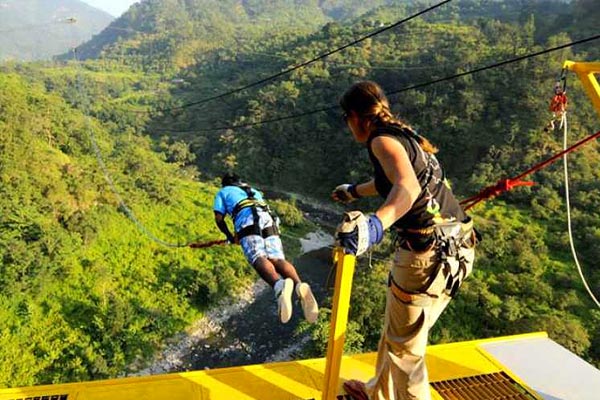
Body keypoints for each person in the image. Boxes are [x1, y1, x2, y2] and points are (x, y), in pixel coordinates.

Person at [332, 81, 477, 400]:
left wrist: (374, 226)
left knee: (406, 353)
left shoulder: (381, 140)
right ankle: (378, 394)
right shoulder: (405, 136)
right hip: (459, 245)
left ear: (354, 116)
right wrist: (354, 191)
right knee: (400, 335)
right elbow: (393, 180)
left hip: (426, 256)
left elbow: (407, 189)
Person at [213, 173, 319, 324]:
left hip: (247, 220)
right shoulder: (252, 190)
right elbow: (250, 208)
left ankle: (279, 285)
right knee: (276, 259)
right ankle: (299, 284)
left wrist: (230, 236)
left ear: (225, 184)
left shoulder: (223, 192)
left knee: (258, 258)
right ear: (239, 182)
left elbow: (219, 219)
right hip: (268, 220)